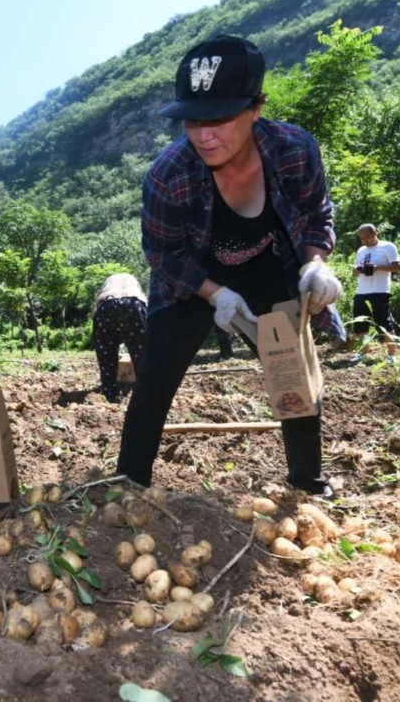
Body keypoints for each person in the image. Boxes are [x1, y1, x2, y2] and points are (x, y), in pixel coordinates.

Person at [116, 35, 342, 498]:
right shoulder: (168, 175)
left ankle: (307, 482)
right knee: (156, 376)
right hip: (192, 279)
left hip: (267, 266)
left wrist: (316, 266)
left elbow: (317, 214)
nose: (204, 135)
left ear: (256, 108)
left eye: (219, 118)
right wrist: (215, 294)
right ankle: (127, 483)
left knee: (291, 370)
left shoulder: (295, 150)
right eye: (192, 121)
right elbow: (163, 255)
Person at [91, 273, 147, 403]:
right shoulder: (134, 282)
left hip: (107, 305)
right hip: (134, 304)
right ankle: (145, 393)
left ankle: (111, 394)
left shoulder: (107, 284)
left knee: (107, 354)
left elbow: (96, 308)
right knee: (141, 353)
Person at [349, 223, 400, 359]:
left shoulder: (388, 246)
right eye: (362, 239)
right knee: (360, 323)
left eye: (367, 237)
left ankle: (392, 354)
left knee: (384, 322)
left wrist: (377, 267)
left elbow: (397, 267)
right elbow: (354, 271)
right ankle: (363, 353)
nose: (365, 241)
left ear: (375, 233)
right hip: (361, 291)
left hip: (380, 291)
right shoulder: (361, 250)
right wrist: (359, 269)